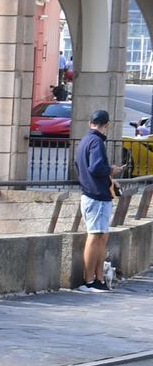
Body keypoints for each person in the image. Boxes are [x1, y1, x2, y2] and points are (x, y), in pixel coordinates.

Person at [74, 109, 116, 293]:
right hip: (96, 195)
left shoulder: (85, 141)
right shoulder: (97, 141)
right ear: (106, 125)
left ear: (90, 122)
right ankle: (90, 281)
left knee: (100, 236)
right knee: (95, 236)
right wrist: (111, 170)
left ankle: (97, 279)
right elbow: (97, 167)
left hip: (91, 194)